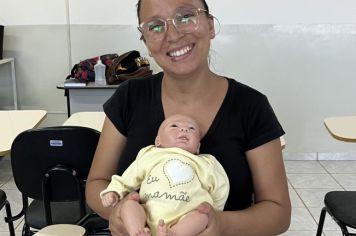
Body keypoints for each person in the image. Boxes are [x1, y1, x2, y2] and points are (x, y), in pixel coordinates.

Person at [86, 0, 292, 235]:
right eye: (155, 26)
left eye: (185, 16)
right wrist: (117, 213)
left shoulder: (251, 106)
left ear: (210, 26)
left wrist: (221, 224)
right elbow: (96, 184)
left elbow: (278, 213)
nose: (172, 35)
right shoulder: (129, 98)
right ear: (145, 42)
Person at [100, 114, 229, 236]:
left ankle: (175, 234)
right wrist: (115, 191)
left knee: (202, 216)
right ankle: (137, 231)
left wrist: (215, 212)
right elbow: (130, 175)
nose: (184, 129)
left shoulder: (205, 162)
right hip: (147, 214)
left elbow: (220, 187)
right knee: (129, 205)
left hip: (187, 217)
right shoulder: (151, 154)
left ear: (198, 147)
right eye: (174, 126)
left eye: (192, 128)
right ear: (158, 141)